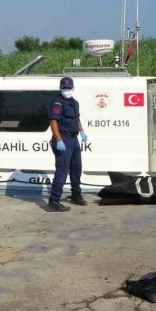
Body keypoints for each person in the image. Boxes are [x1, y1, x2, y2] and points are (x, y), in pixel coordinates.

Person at [47, 76, 89, 212]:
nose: (66, 90)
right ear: (60, 88)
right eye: (64, 88)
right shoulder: (58, 103)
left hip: (74, 138)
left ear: (73, 88)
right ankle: (53, 201)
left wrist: (82, 132)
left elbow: (77, 119)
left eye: (68, 88)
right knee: (62, 170)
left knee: (77, 168)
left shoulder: (75, 103)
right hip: (63, 137)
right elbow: (53, 122)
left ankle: (76, 194)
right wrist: (58, 139)